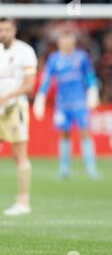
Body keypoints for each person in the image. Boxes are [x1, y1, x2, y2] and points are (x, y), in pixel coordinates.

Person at [33, 30, 100, 179]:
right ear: (59, 42)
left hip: (80, 102)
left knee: (85, 132)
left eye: (69, 40)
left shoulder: (81, 57)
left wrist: (93, 92)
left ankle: (91, 168)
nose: (66, 43)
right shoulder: (54, 59)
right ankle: (64, 169)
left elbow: (90, 76)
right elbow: (47, 79)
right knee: (64, 135)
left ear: (73, 42)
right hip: (62, 104)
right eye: (63, 40)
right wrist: (41, 97)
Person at [0, 18, 37, 216]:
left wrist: (6, 97)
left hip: (15, 108)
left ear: (14, 31)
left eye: (6, 30)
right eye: (0, 30)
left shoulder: (25, 51)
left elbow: (29, 85)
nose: (3, 33)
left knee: (19, 154)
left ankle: (23, 202)